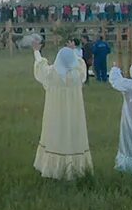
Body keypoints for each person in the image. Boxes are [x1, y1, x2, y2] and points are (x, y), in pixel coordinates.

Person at [32, 40, 93, 181]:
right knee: (73, 134)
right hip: (74, 115)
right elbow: (80, 64)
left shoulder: (51, 74)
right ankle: (76, 168)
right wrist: (73, 51)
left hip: (55, 114)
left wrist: (36, 51)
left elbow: (40, 66)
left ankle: (55, 168)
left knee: (56, 134)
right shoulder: (77, 75)